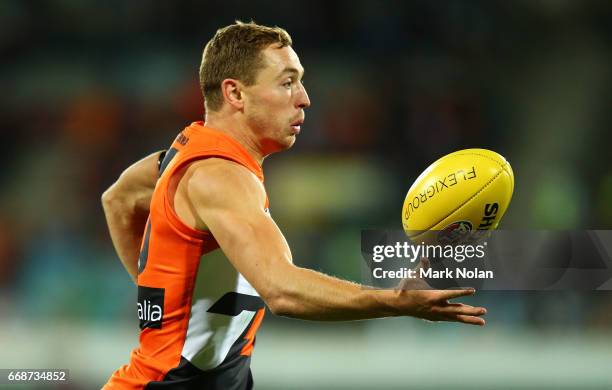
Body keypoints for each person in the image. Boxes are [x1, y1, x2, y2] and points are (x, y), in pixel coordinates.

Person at [101, 21, 486, 390]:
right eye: (287, 83)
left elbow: (118, 200)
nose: (304, 98)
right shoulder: (220, 177)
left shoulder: (181, 155)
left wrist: (160, 294)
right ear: (235, 94)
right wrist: (395, 301)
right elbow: (282, 290)